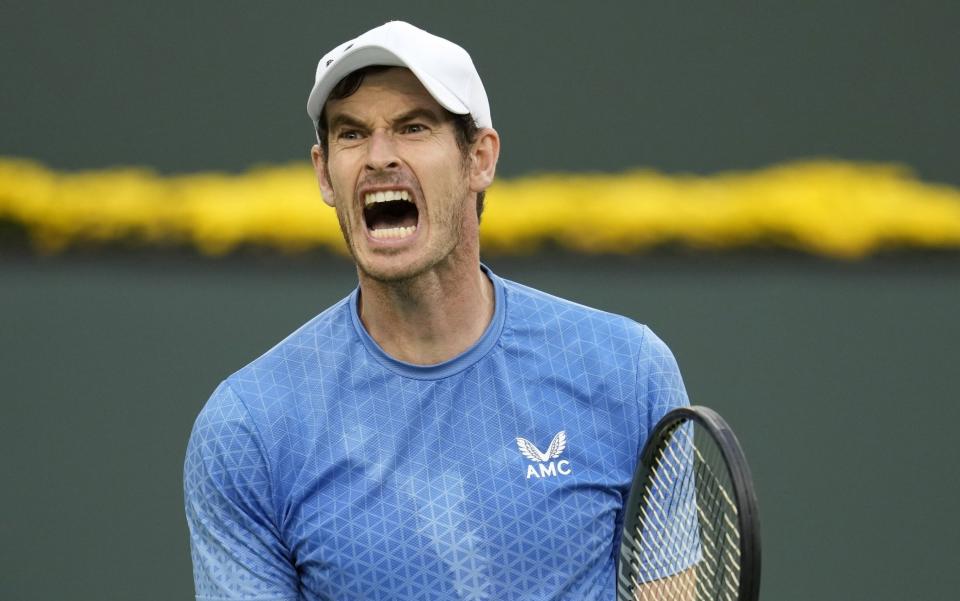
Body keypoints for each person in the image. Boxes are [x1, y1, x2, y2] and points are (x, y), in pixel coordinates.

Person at [184, 21, 691, 601]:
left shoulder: (626, 370)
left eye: (413, 127)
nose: (379, 157)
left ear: (479, 158)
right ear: (325, 173)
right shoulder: (248, 430)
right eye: (352, 135)